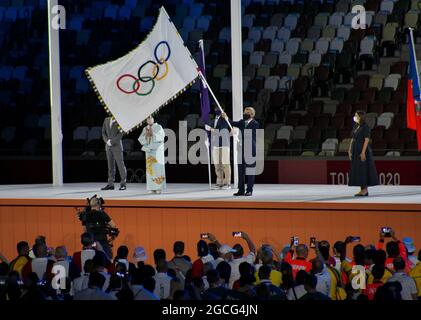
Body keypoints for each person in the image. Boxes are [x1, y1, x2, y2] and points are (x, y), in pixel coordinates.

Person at [222, 107, 260, 196]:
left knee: (250, 171)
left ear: (252, 114)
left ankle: (249, 190)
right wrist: (226, 117)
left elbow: (249, 133)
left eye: (248, 112)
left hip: (250, 150)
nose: (245, 114)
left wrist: (236, 132)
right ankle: (241, 190)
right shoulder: (242, 122)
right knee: (240, 171)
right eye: (245, 112)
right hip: (241, 149)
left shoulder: (255, 123)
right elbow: (232, 123)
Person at [348, 110, 379, 196]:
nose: (354, 117)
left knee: (363, 170)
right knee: (358, 170)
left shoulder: (365, 127)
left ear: (360, 117)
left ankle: (365, 190)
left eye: (356, 115)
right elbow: (353, 139)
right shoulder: (356, 126)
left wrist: (363, 152)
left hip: (362, 150)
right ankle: (362, 189)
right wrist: (349, 150)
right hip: (355, 150)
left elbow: (366, 140)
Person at [205, 106, 231, 189]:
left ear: (222, 110)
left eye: (218, 109)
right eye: (216, 109)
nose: (217, 110)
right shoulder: (212, 120)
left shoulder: (225, 120)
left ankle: (227, 182)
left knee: (225, 164)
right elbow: (208, 130)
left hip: (224, 143)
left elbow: (221, 131)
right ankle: (220, 182)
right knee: (217, 164)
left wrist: (211, 129)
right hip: (215, 144)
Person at [138, 115, 166, 194]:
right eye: (147, 118)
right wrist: (146, 136)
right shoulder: (145, 128)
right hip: (149, 151)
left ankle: (158, 187)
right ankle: (151, 187)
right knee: (150, 170)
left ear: (153, 119)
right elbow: (141, 139)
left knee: (158, 169)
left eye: (150, 118)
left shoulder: (159, 127)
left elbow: (162, 137)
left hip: (157, 151)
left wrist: (153, 134)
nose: (149, 120)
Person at [101, 116, 127, 191]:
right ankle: (110, 184)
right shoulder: (106, 119)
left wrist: (112, 141)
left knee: (120, 165)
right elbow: (103, 132)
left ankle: (123, 184)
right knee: (110, 166)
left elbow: (121, 133)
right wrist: (107, 141)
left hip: (117, 146)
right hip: (108, 146)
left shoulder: (120, 119)